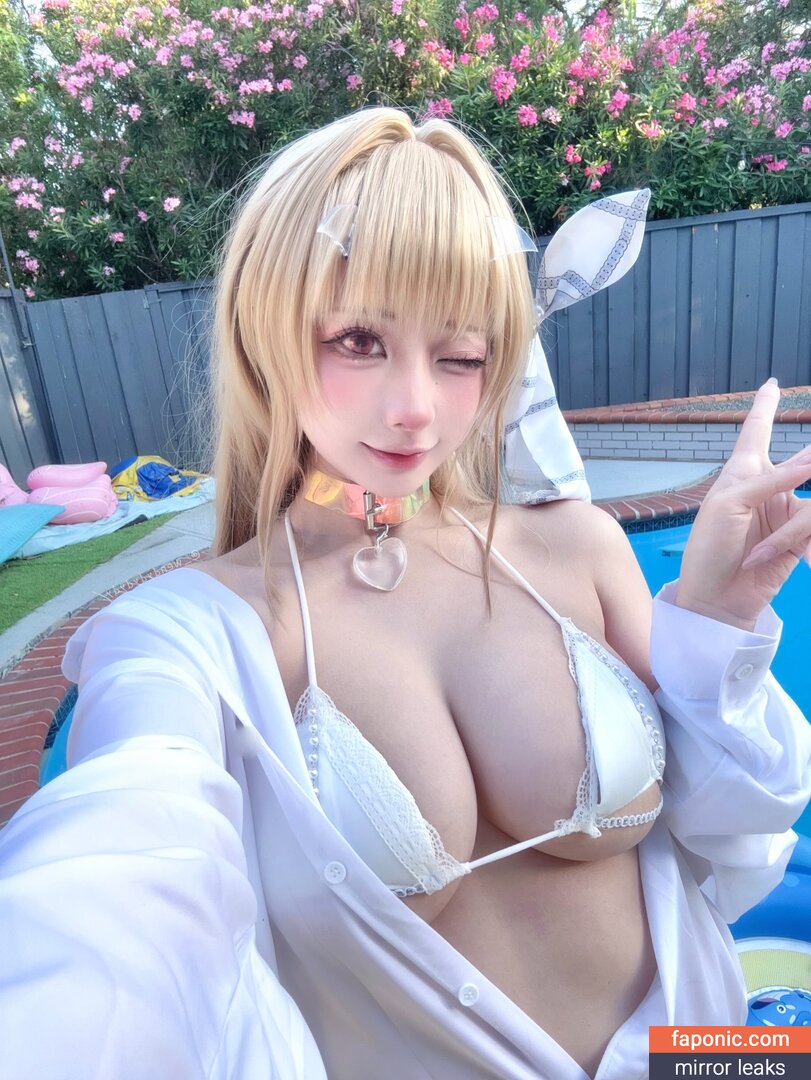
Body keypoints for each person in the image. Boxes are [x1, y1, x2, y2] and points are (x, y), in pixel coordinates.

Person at [1, 107, 811, 1080]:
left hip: (698, 1055)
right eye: (357, 340)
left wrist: (718, 622)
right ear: (264, 334)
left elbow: (730, 814)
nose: (416, 407)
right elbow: (118, 865)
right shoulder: (187, 636)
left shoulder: (576, 548)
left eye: (460, 355)